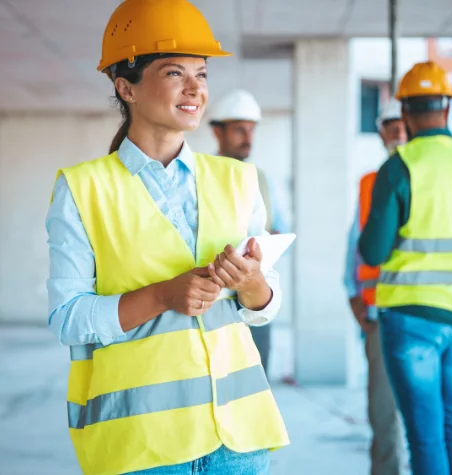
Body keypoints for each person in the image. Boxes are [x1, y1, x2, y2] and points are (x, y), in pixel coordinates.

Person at [44, 1, 290, 474]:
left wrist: (254, 284)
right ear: (125, 87)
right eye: (175, 72)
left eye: (202, 73)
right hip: (143, 444)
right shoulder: (82, 188)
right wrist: (162, 295)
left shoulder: (239, 180)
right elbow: (67, 318)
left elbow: (265, 306)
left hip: (237, 438)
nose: (196, 88)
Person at [358, 61, 452, 475]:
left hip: (408, 318)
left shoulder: (400, 166)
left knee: (423, 434)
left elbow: (372, 252)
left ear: (404, 112)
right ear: (448, 108)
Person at [344, 98, 408, 475]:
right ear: (381, 132)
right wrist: (353, 294)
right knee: (383, 413)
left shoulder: (427, 177)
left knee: (427, 419)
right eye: (390, 125)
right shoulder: (370, 182)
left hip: (418, 312)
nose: (398, 130)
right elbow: (356, 245)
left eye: (403, 123)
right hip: (379, 315)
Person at [208, 88, 291, 375]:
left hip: (255, 297)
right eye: (239, 130)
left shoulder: (263, 180)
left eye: (252, 130)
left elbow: (278, 228)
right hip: (214, 301)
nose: (248, 138)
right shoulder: (202, 177)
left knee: (256, 382)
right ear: (218, 132)